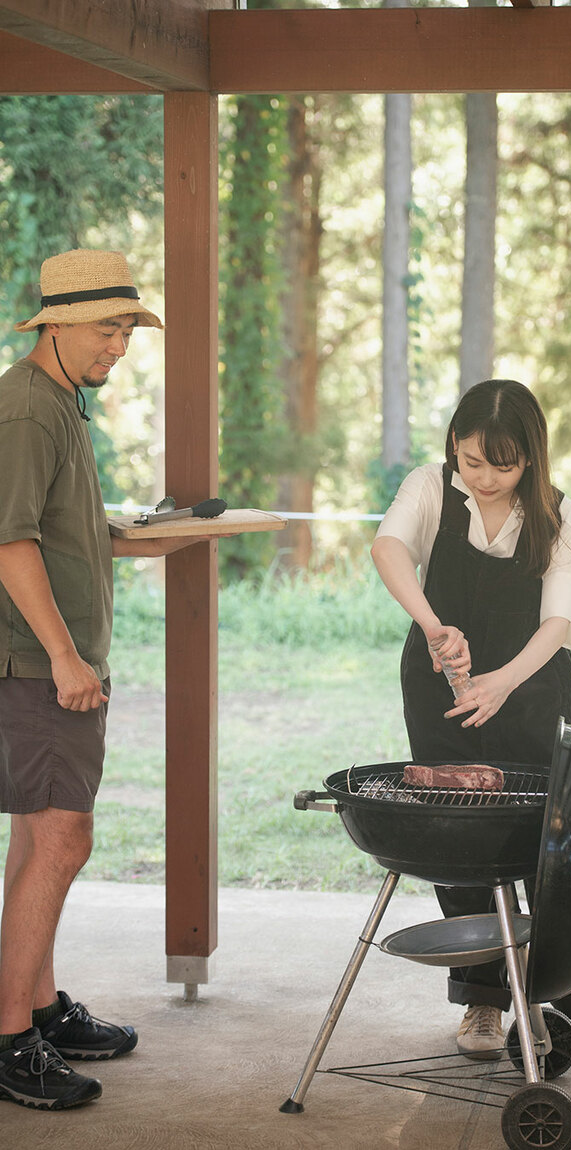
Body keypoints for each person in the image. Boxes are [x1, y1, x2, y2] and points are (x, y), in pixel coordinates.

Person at [0, 249, 218, 1110]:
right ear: (54, 323)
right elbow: (10, 542)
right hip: (35, 665)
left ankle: (40, 1009)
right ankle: (10, 1037)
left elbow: (56, 528)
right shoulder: (26, 410)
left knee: (35, 835)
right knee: (62, 837)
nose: (120, 344)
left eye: (126, 327)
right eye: (106, 326)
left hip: (47, 664)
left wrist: (144, 535)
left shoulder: (61, 403)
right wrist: (63, 656)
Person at [371, 379, 571, 1060]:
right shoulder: (430, 486)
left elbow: (559, 621)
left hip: (533, 685)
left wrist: (503, 682)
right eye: (470, 461)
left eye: (501, 466)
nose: (482, 479)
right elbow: (388, 549)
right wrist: (431, 627)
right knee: (458, 839)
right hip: (439, 685)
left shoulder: (558, 516)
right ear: (454, 448)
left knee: (553, 845)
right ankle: (482, 1000)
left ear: (529, 460)